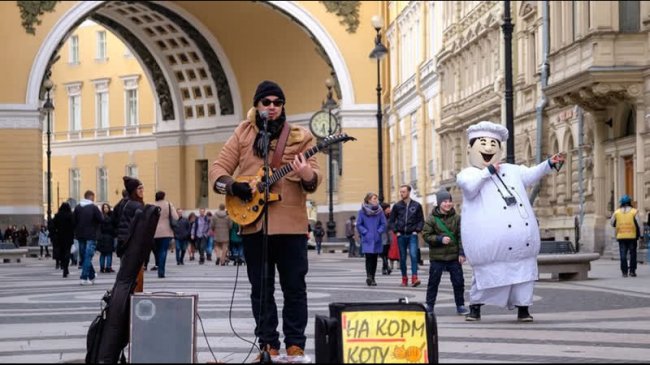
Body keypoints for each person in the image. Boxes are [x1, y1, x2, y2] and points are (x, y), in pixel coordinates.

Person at [209, 80, 321, 358]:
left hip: (291, 226)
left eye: (277, 102)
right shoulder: (243, 133)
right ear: (257, 105)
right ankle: (268, 343)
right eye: (266, 102)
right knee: (261, 289)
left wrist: (306, 172)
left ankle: (295, 344)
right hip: (254, 224)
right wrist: (233, 186)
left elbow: (315, 178)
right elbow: (218, 169)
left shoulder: (300, 136)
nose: (272, 107)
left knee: (294, 287)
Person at [456, 121, 565, 322]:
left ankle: (523, 308)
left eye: (493, 143)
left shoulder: (512, 170)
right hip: (491, 251)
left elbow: (532, 173)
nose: (488, 147)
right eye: (483, 143)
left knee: (524, 277)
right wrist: (487, 172)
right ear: (471, 148)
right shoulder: (470, 173)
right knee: (486, 277)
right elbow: (470, 188)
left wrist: (549, 163)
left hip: (521, 248)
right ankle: (475, 307)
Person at [422, 188, 468, 315]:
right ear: (439, 203)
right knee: (433, 282)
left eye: (449, 201)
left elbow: (461, 236)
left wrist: (462, 253)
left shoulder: (457, 218)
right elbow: (426, 235)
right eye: (445, 201)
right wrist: (439, 239)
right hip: (437, 257)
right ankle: (430, 305)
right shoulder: (431, 219)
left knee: (459, 282)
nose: (448, 204)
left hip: (454, 257)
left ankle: (460, 305)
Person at [389, 184, 425, 287]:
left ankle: (414, 278)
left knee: (414, 256)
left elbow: (421, 220)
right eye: (400, 192)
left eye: (403, 192)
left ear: (409, 192)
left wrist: (417, 230)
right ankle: (404, 279)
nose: (401, 193)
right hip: (401, 235)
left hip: (412, 235)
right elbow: (391, 221)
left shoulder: (417, 205)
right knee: (403, 258)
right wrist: (396, 231)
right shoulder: (397, 206)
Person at [115, 176, 145, 292]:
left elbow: (114, 221)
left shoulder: (123, 203)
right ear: (133, 191)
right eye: (139, 189)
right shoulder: (137, 205)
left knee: (125, 274)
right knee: (136, 276)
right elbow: (140, 226)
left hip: (123, 243)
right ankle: (134, 301)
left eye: (142, 188)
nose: (142, 191)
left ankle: (124, 299)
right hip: (133, 244)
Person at [73, 190, 104, 286]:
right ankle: (84, 277)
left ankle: (91, 275)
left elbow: (73, 221)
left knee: (84, 256)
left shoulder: (77, 207)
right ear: (91, 197)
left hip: (80, 235)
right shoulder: (93, 207)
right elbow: (101, 219)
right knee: (88, 256)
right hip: (91, 235)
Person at [356, 192, 386, 286]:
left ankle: (373, 277)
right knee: (368, 258)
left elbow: (384, 223)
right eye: (374, 199)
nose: (376, 200)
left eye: (376, 199)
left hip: (377, 239)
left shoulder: (380, 211)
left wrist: (379, 231)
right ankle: (369, 276)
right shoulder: (362, 211)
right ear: (368, 200)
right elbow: (359, 224)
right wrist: (365, 232)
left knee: (374, 259)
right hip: (367, 239)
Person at [611, 194, 641, 277]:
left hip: (621, 236)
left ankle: (624, 272)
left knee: (623, 255)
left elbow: (612, 222)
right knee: (633, 254)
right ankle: (632, 271)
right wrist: (641, 235)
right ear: (629, 202)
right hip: (632, 236)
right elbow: (639, 224)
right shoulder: (634, 211)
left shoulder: (616, 212)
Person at [153, 191, 178, 278]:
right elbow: (176, 217)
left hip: (154, 232)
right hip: (166, 231)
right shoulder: (168, 205)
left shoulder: (152, 205)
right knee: (163, 251)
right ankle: (161, 271)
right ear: (164, 196)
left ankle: (157, 265)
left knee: (157, 251)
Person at [51, 202, 75, 278]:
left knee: (62, 252)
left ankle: (63, 265)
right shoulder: (70, 216)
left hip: (59, 236)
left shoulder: (57, 216)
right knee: (67, 252)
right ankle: (66, 268)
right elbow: (74, 225)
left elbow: (52, 226)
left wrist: (54, 233)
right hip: (69, 236)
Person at [97, 203, 116, 273]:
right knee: (108, 253)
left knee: (104, 253)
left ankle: (103, 268)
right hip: (108, 236)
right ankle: (107, 267)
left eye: (106, 207)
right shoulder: (111, 217)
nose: (105, 209)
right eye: (104, 207)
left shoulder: (100, 216)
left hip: (104, 237)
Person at [379, 202, 393, 275]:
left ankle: (384, 268)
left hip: (388, 238)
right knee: (383, 253)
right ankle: (387, 267)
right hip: (382, 237)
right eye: (388, 208)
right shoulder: (380, 217)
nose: (389, 209)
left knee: (386, 254)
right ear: (384, 209)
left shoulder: (390, 216)